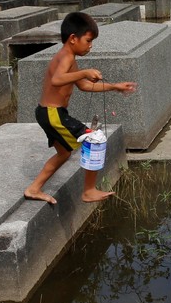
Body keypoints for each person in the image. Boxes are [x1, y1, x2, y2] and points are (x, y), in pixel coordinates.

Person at [24, 12, 136, 205]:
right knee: (95, 140)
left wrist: (115, 87)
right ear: (73, 39)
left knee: (64, 154)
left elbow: (85, 86)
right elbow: (57, 79)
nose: (90, 46)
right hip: (53, 113)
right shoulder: (65, 57)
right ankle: (89, 191)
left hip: (49, 113)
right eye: (88, 40)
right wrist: (84, 71)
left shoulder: (70, 58)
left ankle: (33, 189)